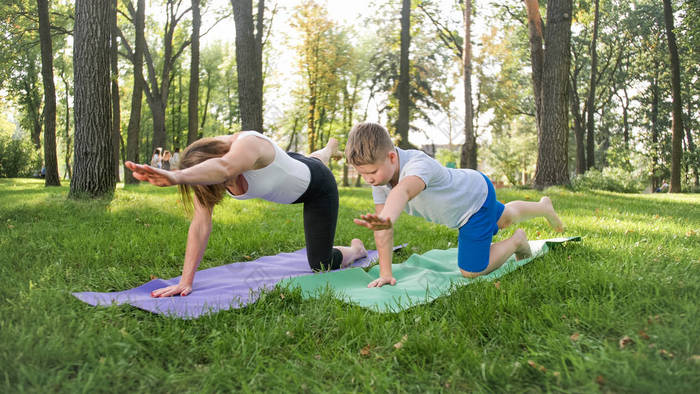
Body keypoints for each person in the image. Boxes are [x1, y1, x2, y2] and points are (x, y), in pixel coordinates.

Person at [125, 131, 367, 297]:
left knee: (320, 264)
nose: (223, 188)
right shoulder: (202, 171)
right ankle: (325, 151)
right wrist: (185, 281)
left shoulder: (248, 144)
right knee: (305, 162)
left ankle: (357, 249)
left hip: (316, 187)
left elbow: (225, 167)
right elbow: (200, 224)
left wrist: (175, 176)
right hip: (289, 169)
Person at [345, 122, 564, 288]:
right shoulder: (380, 179)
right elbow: (383, 231)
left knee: (471, 271)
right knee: (506, 217)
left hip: (472, 205)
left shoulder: (417, 165)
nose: (369, 180)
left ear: (392, 157)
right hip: (475, 187)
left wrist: (387, 218)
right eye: (363, 174)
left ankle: (517, 241)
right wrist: (385, 273)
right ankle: (544, 207)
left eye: (372, 172)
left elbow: (403, 191)